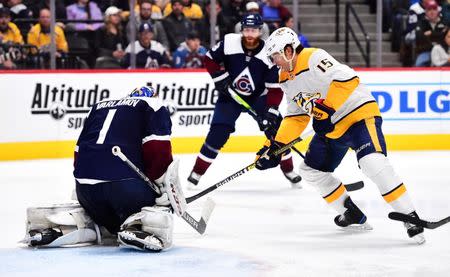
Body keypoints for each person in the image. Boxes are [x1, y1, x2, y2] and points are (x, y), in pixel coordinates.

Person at [256, 27, 425, 244]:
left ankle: (410, 217)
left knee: (372, 163)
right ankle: (351, 212)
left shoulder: (313, 57)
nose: (274, 61)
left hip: (358, 116)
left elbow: (348, 79)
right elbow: (297, 116)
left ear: (289, 51)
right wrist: (276, 146)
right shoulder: (284, 77)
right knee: (310, 170)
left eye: (275, 55)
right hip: (332, 128)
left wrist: (326, 110)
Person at [23, 86, 185, 252]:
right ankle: (140, 226)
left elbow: (79, 153)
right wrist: (163, 188)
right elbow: (158, 151)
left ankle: (76, 227)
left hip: (86, 194)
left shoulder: (98, 107)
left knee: (100, 212)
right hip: (127, 194)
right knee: (159, 201)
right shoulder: (153, 105)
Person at [187, 14, 302, 190]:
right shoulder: (229, 42)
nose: (250, 34)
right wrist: (219, 77)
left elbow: (274, 87)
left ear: (260, 31)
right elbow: (210, 59)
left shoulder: (269, 52)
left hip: (259, 98)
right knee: (218, 133)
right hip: (230, 96)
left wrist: (271, 111)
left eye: (254, 30)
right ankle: (196, 173)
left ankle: (289, 170)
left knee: (277, 132)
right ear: (242, 30)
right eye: (247, 29)